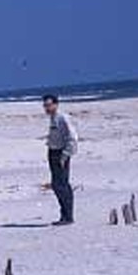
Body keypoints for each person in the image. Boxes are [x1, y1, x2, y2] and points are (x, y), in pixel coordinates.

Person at [43, 94, 77, 225]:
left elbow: (72, 138)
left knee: (62, 184)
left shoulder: (63, 118)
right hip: (53, 152)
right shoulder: (53, 118)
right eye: (45, 105)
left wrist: (65, 155)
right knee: (57, 185)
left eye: (49, 105)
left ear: (56, 104)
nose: (47, 108)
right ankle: (64, 215)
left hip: (61, 153)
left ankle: (68, 217)